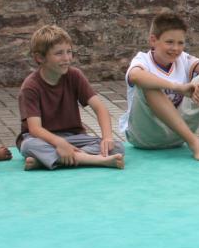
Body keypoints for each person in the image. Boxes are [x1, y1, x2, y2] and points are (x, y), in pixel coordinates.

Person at [121, 12, 199, 161]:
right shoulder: (143, 59)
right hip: (145, 137)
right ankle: (195, 143)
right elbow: (135, 76)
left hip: (176, 137)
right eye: (169, 42)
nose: (176, 48)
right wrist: (177, 87)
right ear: (153, 40)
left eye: (180, 43)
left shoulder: (184, 59)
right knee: (148, 84)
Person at [17, 25, 123, 170]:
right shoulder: (30, 86)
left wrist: (107, 137)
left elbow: (100, 108)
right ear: (40, 58)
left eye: (69, 52)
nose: (66, 58)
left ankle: (46, 161)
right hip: (42, 139)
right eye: (59, 53)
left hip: (74, 137)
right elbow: (35, 129)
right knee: (28, 146)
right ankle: (94, 160)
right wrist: (59, 143)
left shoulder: (75, 76)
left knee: (116, 146)